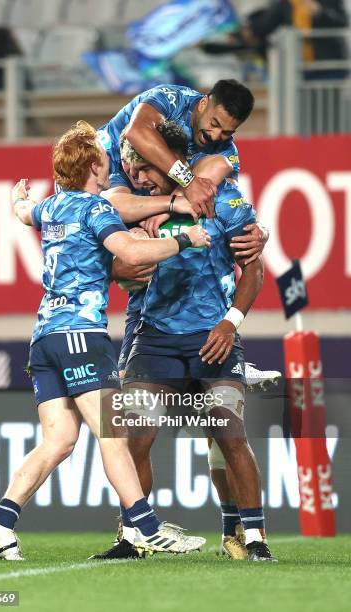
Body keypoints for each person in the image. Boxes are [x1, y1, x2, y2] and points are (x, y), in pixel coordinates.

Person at [0, 120, 210, 561]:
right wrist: (186, 239)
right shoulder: (93, 207)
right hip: (81, 334)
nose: (109, 160)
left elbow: (25, 214)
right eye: (102, 155)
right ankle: (146, 527)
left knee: (60, 439)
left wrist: (17, 199)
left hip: (44, 337)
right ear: (91, 165)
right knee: (113, 432)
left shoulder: (51, 206)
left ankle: (1, 520)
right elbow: (133, 253)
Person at [91, 123, 276, 563]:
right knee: (133, 436)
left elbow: (253, 268)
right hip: (153, 338)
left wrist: (231, 323)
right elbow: (111, 267)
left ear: (173, 162)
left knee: (229, 434)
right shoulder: (133, 205)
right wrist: (122, 268)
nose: (137, 176)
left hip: (214, 338)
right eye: (133, 169)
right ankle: (133, 534)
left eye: (146, 168)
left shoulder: (225, 199)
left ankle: (253, 537)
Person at [98, 79, 255, 219]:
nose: (215, 136)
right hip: (105, 164)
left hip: (148, 192)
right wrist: (189, 182)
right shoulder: (171, 99)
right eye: (214, 124)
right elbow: (137, 132)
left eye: (226, 133)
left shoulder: (225, 149)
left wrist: (255, 227)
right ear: (203, 103)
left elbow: (231, 198)